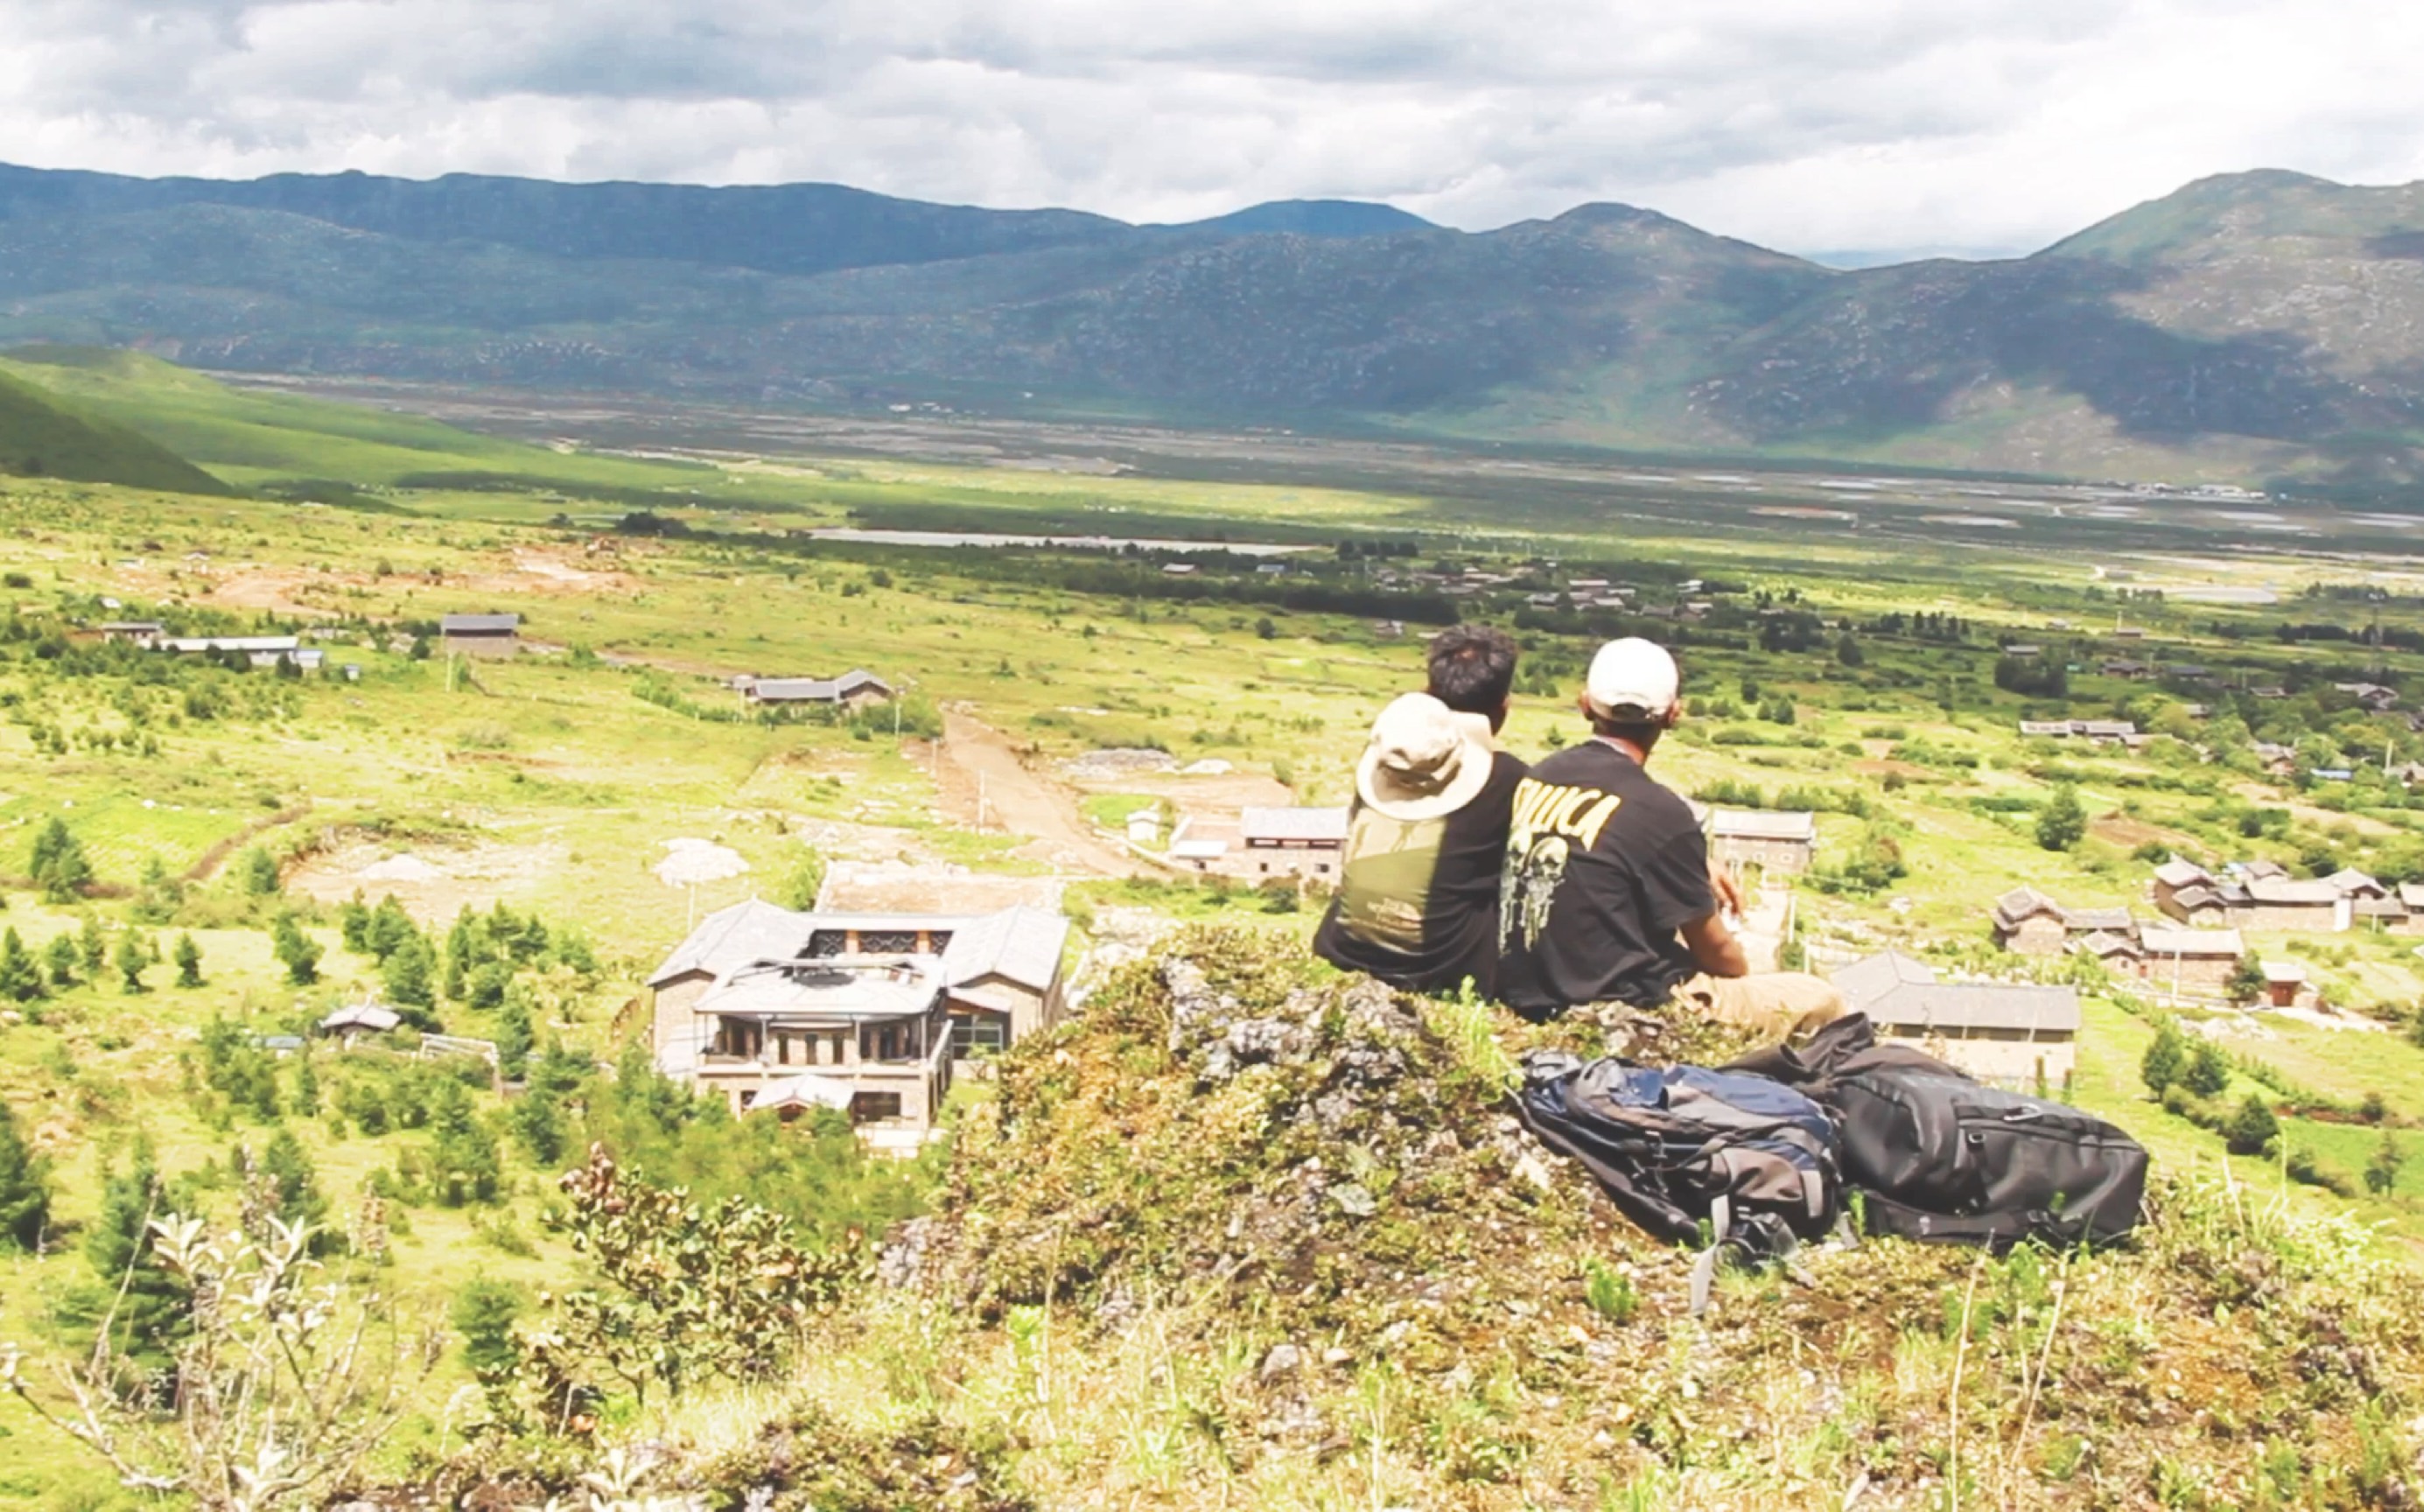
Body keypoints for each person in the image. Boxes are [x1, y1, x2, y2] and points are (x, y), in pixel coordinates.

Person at [1495, 636, 1843, 1038]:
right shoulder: (1660, 811)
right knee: (1821, 997)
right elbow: (1719, 957)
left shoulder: (1540, 774)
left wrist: (1691, 863)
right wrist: (1742, 980)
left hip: (1529, 987)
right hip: (1621, 1001)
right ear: (1673, 714)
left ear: (1585, 703)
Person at [1314, 626, 1528, 996]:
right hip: (1442, 971)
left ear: (1429, 691)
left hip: (1341, 950)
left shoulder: (1383, 761)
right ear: (1503, 707)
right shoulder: (1507, 778)